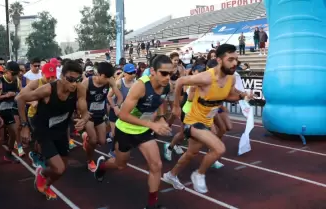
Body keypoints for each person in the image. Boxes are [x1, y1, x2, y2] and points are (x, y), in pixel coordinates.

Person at [164, 44, 253, 194]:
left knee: (191, 153)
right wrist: (176, 107)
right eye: (230, 59)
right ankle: (199, 174)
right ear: (219, 60)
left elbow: (229, 94)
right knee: (219, 148)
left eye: (236, 59)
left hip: (207, 120)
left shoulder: (231, 78)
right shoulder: (206, 77)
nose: (235, 63)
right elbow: (180, 82)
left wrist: (242, 95)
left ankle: (170, 175)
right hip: (193, 121)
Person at [93, 55, 173, 209]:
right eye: (164, 73)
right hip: (125, 130)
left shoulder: (166, 86)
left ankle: (151, 205)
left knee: (156, 165)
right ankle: (102, 166)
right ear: (153, 71)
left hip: (143, 130)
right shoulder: (141, 86)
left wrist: (161, 118)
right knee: (120, 165)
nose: (168, 77)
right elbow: (123, 114)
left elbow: (159, 102)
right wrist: (152, 124)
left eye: (171, 74)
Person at [16, 60, 90, 200]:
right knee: (59, 168)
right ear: (61, 77)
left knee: (62, 169)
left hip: (61, 131)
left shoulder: (79, 89)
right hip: (44, 131)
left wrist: (84, 120)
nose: (74, 83)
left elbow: (85, 112)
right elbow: (20, 98)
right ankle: (43, 176)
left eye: (77, 80)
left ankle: (45, 181)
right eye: (70, 79)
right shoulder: (48, 89)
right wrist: (24, 126)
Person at [81, 62, 123, 171]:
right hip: (89, 115)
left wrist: (117, 106)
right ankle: (90, 160)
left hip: (100, 115)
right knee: (94, 140)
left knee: (102, 141)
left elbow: (119, 97)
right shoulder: (86, 82)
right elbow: (80, 100)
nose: (109, 80)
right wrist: (83, 113)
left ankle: (87, 140)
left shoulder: (109, 81)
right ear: (101, 75)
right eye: (107, 77)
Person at [17, 63, 58, 168]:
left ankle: (37, 154)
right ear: (42, 74)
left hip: (48, 115)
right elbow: (18, 98)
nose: (51, 79)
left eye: (53, 76)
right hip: (34, 115)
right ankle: (39, 157)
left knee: (47, 138)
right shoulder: (35, 84)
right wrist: (33, 102)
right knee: (41, 138)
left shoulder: (57, 83)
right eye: (48, 76)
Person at [0, 61, 23, 163]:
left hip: (9, 111)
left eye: (17, 73)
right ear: (6, 72)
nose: (15, 76)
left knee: (13, 133)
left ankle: (9, 154)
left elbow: (21, 92)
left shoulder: (17, 80)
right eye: (13, 74)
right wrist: (6, 95)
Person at [106, 63, 136, 157]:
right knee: (115, 133)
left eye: (134, 72)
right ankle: (112, 151)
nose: (132, 75)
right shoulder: (119, 83)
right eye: (130, 73)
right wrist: (115, 107)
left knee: (126, 133)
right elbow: (109, 96)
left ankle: (124, 151)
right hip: (115, 111)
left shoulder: (136, 83)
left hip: (126, 112)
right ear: (125, 73)